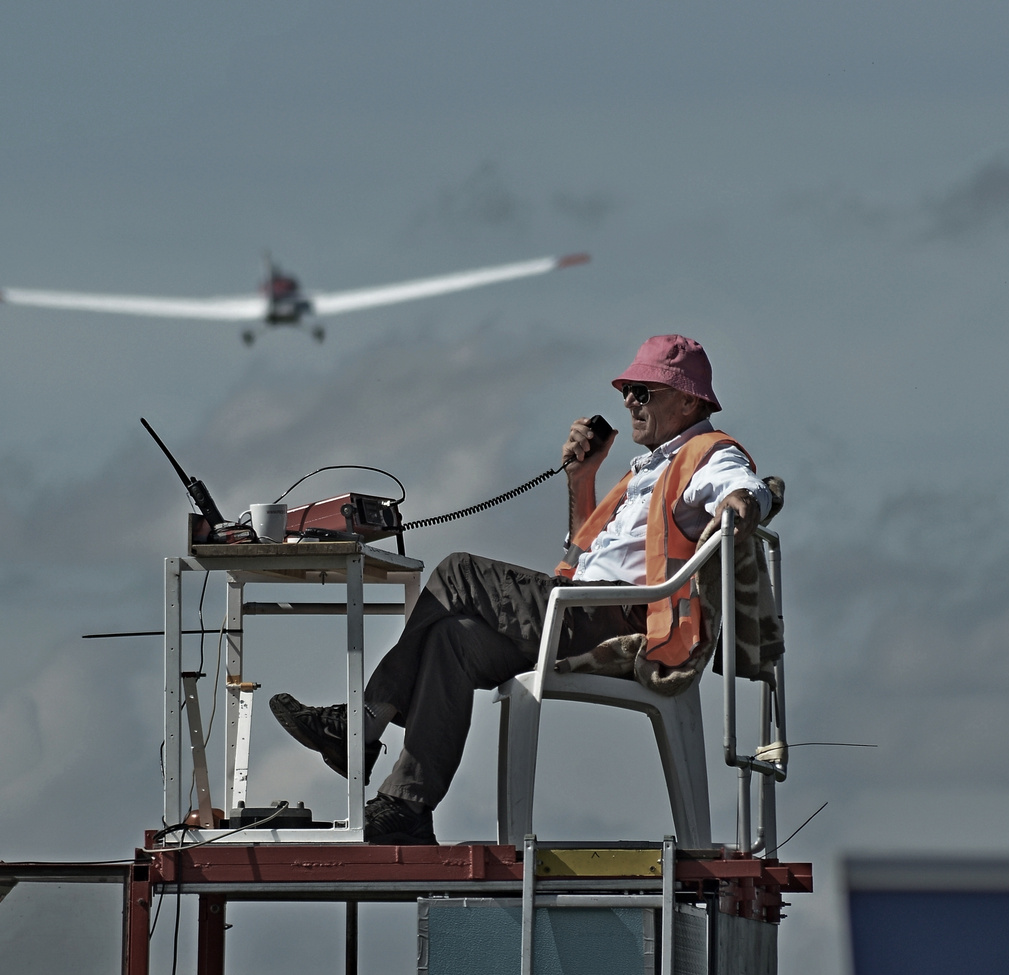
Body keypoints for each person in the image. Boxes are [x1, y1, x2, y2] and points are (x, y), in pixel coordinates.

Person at [269, 335, 771, 844]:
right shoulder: (648, 469)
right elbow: (582, 558)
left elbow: (745, 486)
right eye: (627, 390)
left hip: (614, 615)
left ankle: (358, 729)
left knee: (458, 571)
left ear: (688, 400)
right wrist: (582, 477)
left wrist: (741, 507)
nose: (628, 401)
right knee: (452, 639)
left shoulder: (706, 453)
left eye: (643, 391)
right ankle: (407, 806)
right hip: (579, 606)